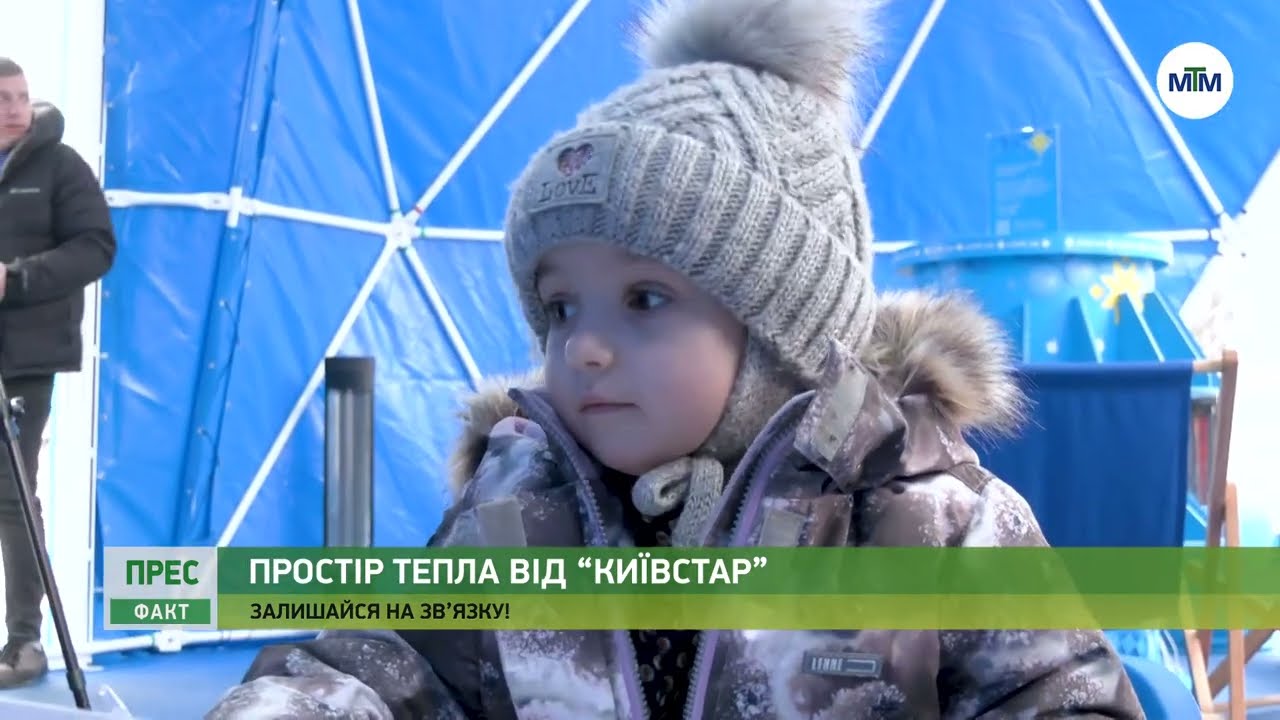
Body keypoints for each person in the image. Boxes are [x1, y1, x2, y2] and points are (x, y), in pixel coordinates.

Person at [206, 0, 1144, 717]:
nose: (584, 347)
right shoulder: (516, 516)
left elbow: (1059, 694)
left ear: (783, 332)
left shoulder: (929, 519)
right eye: (561, 307)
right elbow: (374, 663)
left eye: (646, 300)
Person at [0, 57, 116, 688]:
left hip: (21, 358)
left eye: (20, 96)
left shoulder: (60, 165)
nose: (15, 108)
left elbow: (95, 247)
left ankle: (25, 643)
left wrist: (15, 279)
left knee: (11, 492)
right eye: (2, 99)